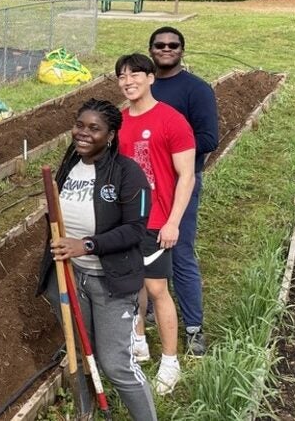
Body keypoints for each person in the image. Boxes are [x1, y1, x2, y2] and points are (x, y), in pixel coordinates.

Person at [37, 99, 156, 421]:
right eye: (79, 125)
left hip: (110, 282)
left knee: (116, 364)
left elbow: (135, 230)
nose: (83, 133)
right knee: (80, 351)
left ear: (111, 135)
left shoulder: (127, 173)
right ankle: (85, 413)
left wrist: (86, 244)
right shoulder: (70, 163)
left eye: (94, 128)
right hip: (71, 276)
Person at [114, 53, 195, 396]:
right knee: (133, 286)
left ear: (150, 78)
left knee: (158, 289)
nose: (128, 81)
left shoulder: (171, 120)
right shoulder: (118, 121)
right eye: (122, 76)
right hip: (126, 220)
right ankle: (139, 342)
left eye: (135, 74)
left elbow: (187, 176)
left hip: (158, 220)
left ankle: (170, 361)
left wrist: (174, 222)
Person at [148, 26, 218, 357]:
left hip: (180, 183)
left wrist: (170, 150)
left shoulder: (196, 90)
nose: (166, 49)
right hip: (145, 185)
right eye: (159, 45)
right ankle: (149, 312)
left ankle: (193, 328)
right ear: (151, 50)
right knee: (145, 250)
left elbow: (208, 138)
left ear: (181, 50)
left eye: (172, 45)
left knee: (180, 252)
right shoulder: (143, 86)